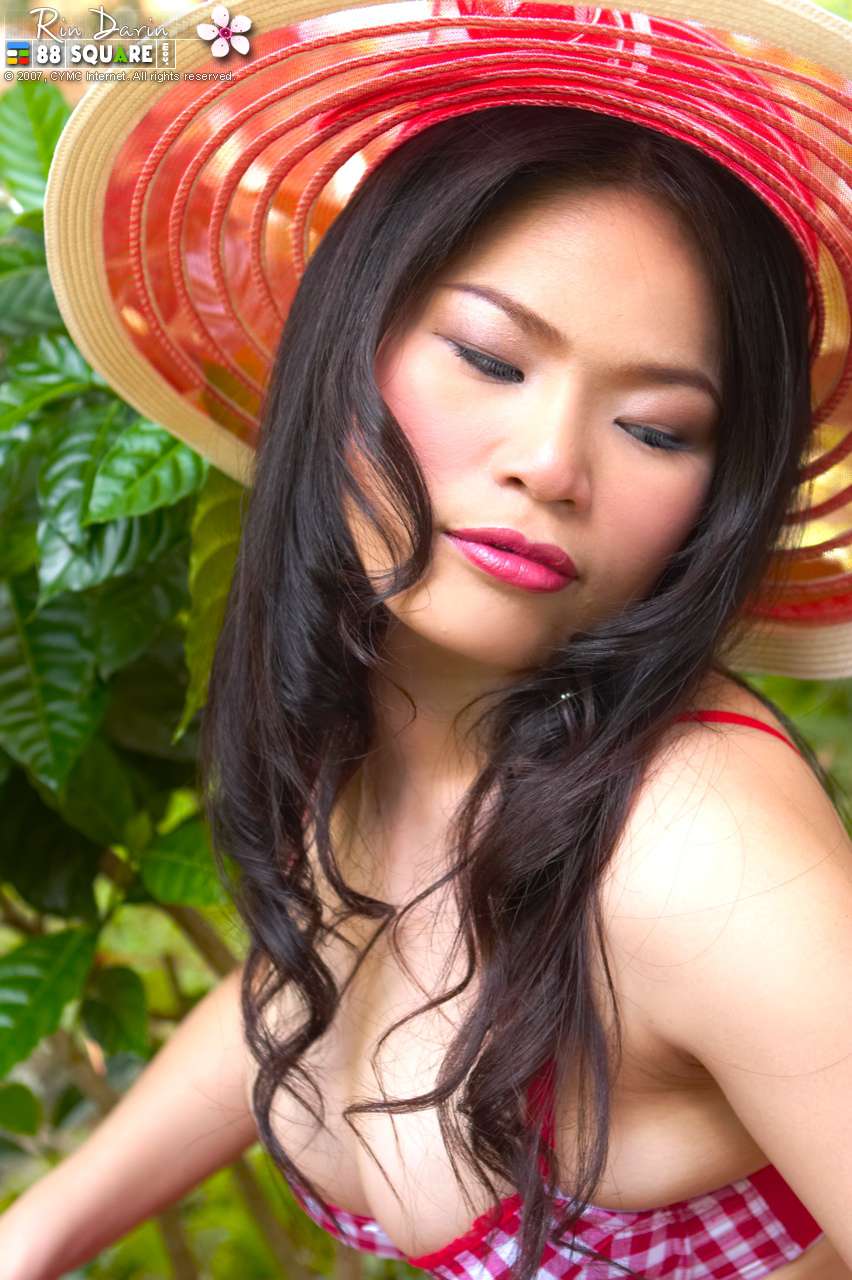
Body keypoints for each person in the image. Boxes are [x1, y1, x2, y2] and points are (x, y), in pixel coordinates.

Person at [6, 2, 851, 1279]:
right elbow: (322, 975)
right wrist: (36, 1230)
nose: (551, 464)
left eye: (657, 428)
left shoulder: (690, 849)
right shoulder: (397, 716)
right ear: (349, 340)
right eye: (490, 358)